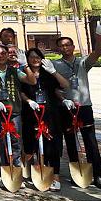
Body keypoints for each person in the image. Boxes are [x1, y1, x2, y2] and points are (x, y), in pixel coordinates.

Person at [53, 29, 101, 190]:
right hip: (66, 108)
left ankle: (97, 174)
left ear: (73, 46)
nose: (65, 48)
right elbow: (54, 88)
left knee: (90, 141)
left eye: (67, 45)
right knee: (71, 141)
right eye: (61, 45)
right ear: (58, 49)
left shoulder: (83, 62)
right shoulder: (55, 65)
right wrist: (63, 100)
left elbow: (98, 52)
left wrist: (98, 34)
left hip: (84, 106)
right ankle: (76, 173)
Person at [22, 48, 69, 191]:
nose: (35, 59)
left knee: (52, 145)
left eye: (38, 56)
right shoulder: (24, 73)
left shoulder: (48, 73)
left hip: (50, 113)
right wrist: (29, 101)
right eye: (31, 57)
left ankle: (55, 176)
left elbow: (64, 85)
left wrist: (53, 72)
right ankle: (31, 173)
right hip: (31, 113)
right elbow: (20, 92)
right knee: (31, 144)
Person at [0, 44, 23, 189]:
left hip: (14, 111)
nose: (0, 56)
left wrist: (25, 65)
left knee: (15, 141)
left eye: (3, 53)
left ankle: (17, 171)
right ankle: (2, 172)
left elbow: (31, 80)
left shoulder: (15, 71)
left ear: (7, 55)